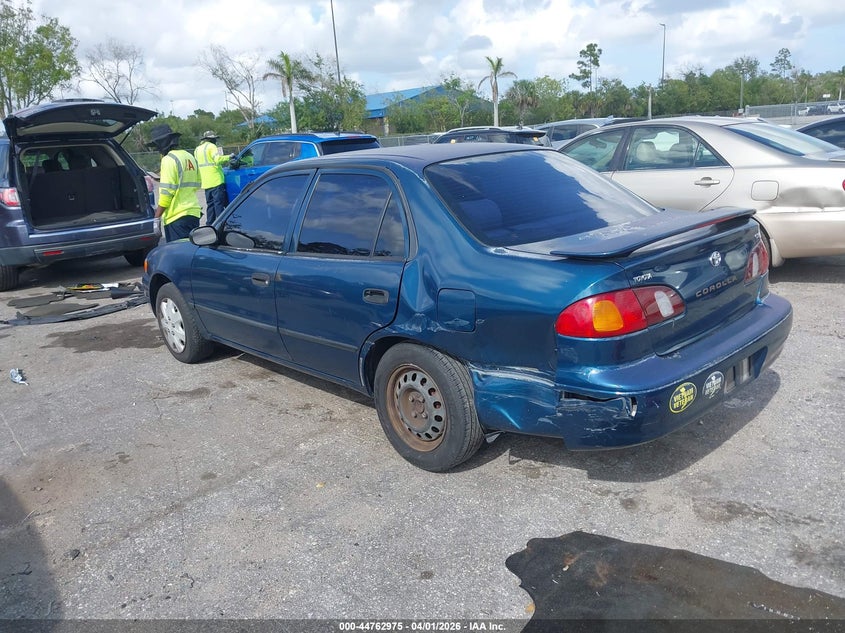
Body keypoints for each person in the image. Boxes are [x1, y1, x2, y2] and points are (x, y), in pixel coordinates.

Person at [147, 124, 202, 242]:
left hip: (176, 217)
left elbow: (166, 194)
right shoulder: (189, 156)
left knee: (179, 256)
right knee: (191, 252)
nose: (157, 150)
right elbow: (198, 183)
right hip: (193, 213)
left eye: (156, 146)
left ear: (162, 143)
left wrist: (157, 218)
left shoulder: (168, 160)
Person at [194, 130, 230, 225]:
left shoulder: (197, 149)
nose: (215, 141)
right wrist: (230, 157)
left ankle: (210, 224)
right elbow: (217, 160)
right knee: (219, 204)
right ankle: (221, 224)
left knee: (210, 204)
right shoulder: (212, 147)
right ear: (212, 139)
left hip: (206, 182)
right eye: (215, 139)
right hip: (216, 180)